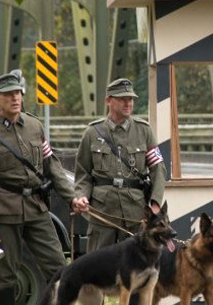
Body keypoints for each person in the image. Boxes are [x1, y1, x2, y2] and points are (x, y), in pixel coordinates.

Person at [0, 70, 75, 305]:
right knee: (3, 276)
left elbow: (52, 167)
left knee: (59, 267)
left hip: (36, 209)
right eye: (8, 94)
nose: (15, 98)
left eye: (18, 93)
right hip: (4, 212)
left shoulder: (35, 126)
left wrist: (73, 198)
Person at [71, 78, 166, 253]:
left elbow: (158, 169)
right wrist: (81, 196)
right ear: (108, 100)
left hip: (135, 213)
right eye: (122, 99)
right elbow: (83, 174)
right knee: (98, 268)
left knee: (137, 267)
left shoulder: (144, 131)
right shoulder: (92, 133)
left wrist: (155, 204)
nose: (127, 103)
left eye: (130, 99)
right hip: (102, 214)